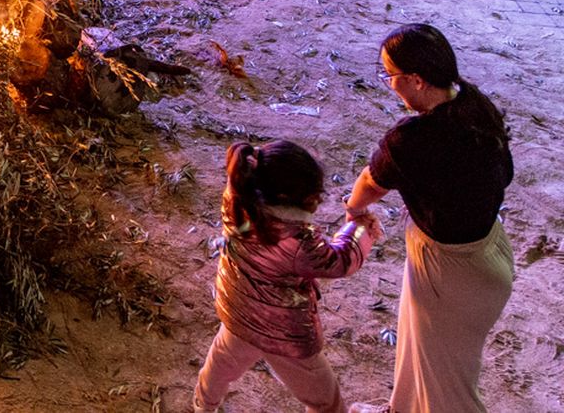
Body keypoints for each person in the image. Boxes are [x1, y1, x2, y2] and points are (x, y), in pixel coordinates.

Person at [345, 25, 515, 413]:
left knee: (449, 391)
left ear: (417, 80)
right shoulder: (473, 102)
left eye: (390, 76)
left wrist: (355, 211)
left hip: (453, 272)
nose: (389, 84)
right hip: (487, 250)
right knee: (417, 349)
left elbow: (370, 183)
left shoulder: (413, 138)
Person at [192, 140, 377, 413]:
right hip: (285, 335)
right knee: (324, 400)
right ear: (291, 201)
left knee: (218, 369)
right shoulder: (299, 243)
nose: (318, 201)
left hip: (239, 316)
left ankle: (203, 407)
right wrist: (360, 229)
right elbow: (340, 261)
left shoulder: (236, 202)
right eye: (314, 197)